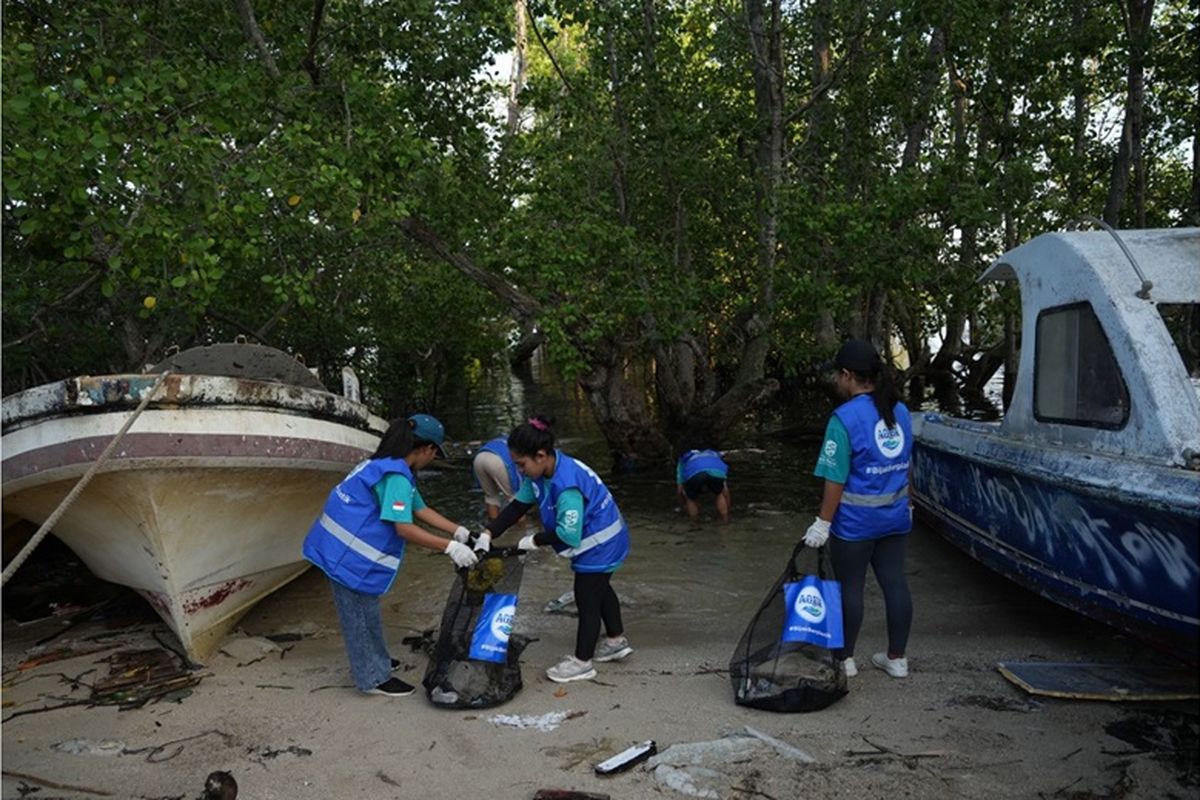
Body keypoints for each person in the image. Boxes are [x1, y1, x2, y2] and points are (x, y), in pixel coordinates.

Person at [302, 413, 479, 697]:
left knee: (366, 609)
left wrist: (460, 531)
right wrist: (449, 547)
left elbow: (420, 509)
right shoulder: (395, 476)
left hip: (336, 547)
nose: (432, 459)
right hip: (346, 556)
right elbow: (405, 529)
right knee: (358, 615)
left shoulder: (383, 465)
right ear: (425, 449)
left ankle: (376, 661)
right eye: (434, 452)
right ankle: (372, 678)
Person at [478, 415, 633, 683]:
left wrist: (535, 540)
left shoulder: (565, 485)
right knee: (600, 587)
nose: (520, 471)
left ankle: (582, 662)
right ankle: (615, 641)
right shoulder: (542, 472)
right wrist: (488, 533)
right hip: (606, 537)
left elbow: (568, 534)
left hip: (601, 542)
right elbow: (517, 507)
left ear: (540, 455)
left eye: (522, 465)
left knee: (586, 597)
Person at [803, 339, 914, 680]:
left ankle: (845, 659)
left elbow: (835, 479)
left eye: (838, 375)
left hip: (855, 524)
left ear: (849, 375)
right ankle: (897, 658)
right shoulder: (901, 411)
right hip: (895, 516)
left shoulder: (844, 418)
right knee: (895, 584)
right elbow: (907, 463)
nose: (836, 381)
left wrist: (822, 523)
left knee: (850, 587)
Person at [675, 447, 731, 522]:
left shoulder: (683, 459)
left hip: (695, 473)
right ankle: (725, 519)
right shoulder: (714, 454)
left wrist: (682, 507)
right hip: (717, 471)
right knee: (719, 494)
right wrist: (728, 506)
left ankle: (694, 522)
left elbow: (679, 490)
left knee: (690, 498)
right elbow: (726, 491)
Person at [472, 437, 522, 521]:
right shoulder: (524, 446)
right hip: (499, 460)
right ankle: (522, 529)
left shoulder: (506, 439)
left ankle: (493, 526)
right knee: (515, 498)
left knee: (491, 496)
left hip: (479, 458)